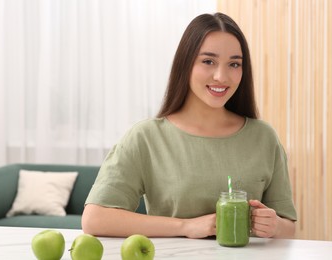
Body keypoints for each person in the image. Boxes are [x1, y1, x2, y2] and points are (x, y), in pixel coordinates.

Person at [82, 12, 297, 239]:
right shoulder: (145, 137)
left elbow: (288, 228)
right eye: (208, 61)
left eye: (234, 64)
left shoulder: (263, 137)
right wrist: (186, 227)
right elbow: (95, 218)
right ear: (186, 64)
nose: (221, 76)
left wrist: (274, 226)